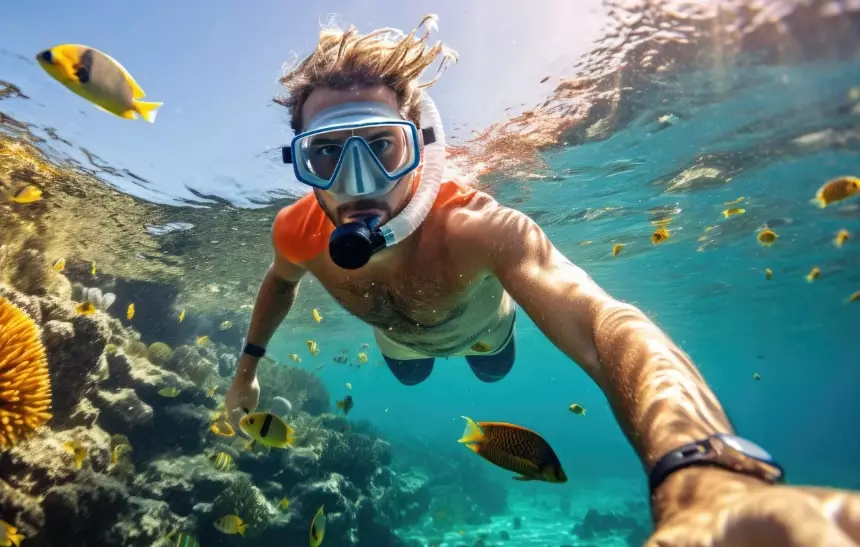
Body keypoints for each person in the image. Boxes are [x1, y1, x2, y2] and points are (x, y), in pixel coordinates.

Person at [226, 15, 860, 546]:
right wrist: (246, 371)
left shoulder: (477, 227)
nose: (358, 181)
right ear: (299, 162)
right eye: (327, 155)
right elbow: (280, 285)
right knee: (411, 369)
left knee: (491, 370)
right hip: (400, 343)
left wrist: (704, 469)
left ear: (420, 146)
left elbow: (599, 318)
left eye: (381, 147)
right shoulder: (295, 233)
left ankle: (484, 355)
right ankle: (415, 352)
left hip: (484, 336)